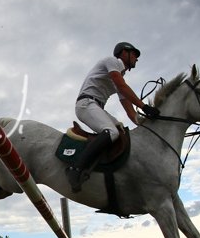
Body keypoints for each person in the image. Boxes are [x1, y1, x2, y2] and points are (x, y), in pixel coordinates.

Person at [66, 42, 159, 191]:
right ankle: (75, 169)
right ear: (124, 53)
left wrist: (146, 124)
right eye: (134, 54)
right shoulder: (113, 62)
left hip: (96, 106)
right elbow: (122, 87)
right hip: (86, 104)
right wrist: (145, 107)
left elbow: (131, 113)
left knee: (120, 129)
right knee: (112, 132)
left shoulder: (120, 77)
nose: (136, 58)